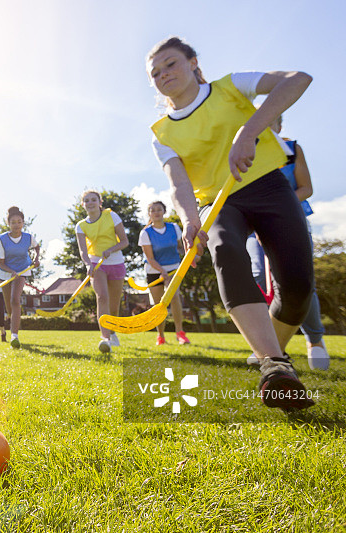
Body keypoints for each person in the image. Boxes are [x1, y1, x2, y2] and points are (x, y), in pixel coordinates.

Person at [147, 36, 315, 411]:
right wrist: (190, 219)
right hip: (218, 203)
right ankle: (274, 365)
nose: (163, 75)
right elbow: (179, 183)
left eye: (171, 64)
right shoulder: (162, 132)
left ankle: (271, 354)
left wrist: (250, 130)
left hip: (269, 185)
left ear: (193, 63)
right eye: (155, 73)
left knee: (298, 287)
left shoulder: (231, 87)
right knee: (226, 251)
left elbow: (298, 79)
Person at [243, 115, 329, 370]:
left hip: (291, 222)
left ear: (279, 125)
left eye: (271, 120)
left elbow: (306, 188)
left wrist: (277, 207)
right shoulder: (245, 152)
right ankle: (272, 345)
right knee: (260, 277)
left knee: (300, 280)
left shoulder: (292, 150)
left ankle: (315, 339)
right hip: (255, 228)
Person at [75, 190, 129, 353]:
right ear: (83, 204)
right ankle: (105, 339)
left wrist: (111, 250)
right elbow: (83, 251)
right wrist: (88, 264)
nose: (90, 203)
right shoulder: (81, 226)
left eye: (93, 199)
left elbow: (124, 241)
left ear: (100, 202)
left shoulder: (111, 216)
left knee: (114, 306)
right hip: (96, 264)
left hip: (116, 262)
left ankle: (112, 333)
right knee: (102, 297)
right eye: (86, 200)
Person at [138, 200, 190, 346]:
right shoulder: (145, 233)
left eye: (159, 209)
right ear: (149, 214)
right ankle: (160, 336)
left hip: (173, 268)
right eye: (153, 210)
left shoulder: (174, 228)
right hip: (154, 270)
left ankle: (180, 333)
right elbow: (150, 258)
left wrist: (189, 254)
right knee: (159, 304)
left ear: (164, 211)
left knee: (175, 297)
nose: (156, 212)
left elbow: (180, 247)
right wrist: (162, 272)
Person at [0, 206, 40, 349]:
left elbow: (37, 247)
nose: (16, 225)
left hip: (22, 270)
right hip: (5, 272)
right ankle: (11, 320)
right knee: (9, 305)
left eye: (19, 222)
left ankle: (15, 335)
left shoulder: (28, 237)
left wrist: (36, 258)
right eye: (13, 222)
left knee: (15, 300)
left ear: (23, 223)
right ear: (8, 223)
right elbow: (1, 262)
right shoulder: (1, 239)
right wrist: (11, 271)